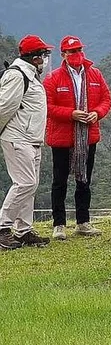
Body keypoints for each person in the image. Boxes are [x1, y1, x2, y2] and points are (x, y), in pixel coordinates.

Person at [43, 36, 111, 240]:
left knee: (84, 180)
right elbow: (47, 106)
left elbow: (106, 99)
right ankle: (59, 224)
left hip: (87, 136)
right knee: (60, 181)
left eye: (79, 50)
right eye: (72, 51)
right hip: (62, 137)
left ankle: (83, 222)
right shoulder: (53, 78)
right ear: (63, 54)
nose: (77, 54)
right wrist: (70, 114)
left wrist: (97, 113)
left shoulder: (95, 74)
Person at [0, 35, 53, 250]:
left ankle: (23, 230)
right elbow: (4, 107)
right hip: (17, 137)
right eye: (43, 55)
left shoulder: (31, 75)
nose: (45, 59)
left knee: (31, 185)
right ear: (34, 57)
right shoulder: (17, 75)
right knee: (25, 183)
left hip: (31, 138)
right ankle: (3, 227)